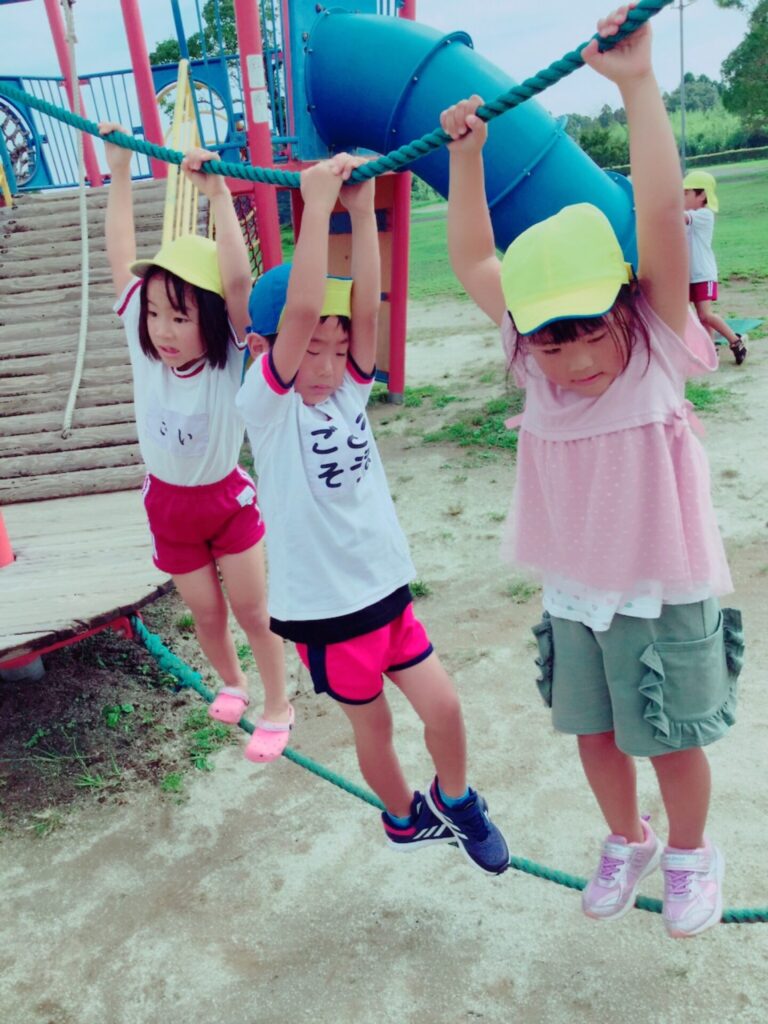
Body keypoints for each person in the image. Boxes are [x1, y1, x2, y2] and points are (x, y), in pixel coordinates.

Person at [439, 4, 743, 936]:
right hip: (575, 589)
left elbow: (658, 212)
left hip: (662, 584)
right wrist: (463, 159)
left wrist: (638, 85)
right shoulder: (532, 356)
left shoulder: (654, 341)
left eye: (587, 330)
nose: (572, 359)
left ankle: (690, 852)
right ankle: (627, 837)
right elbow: (473, 255)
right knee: (595, 732)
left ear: (625, 303)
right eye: (550, 338)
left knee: (672, 737)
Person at [235, 152, 509, 874]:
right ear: (264, 350)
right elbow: (303, 310)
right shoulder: (267, 408)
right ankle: (402, 818)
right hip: (327, 614)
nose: (328, 363)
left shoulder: (349, 389)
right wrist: (317, 207)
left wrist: (360, 211)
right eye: (311, 350)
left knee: (444, 708)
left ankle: (456, 799)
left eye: (336, 349)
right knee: (377, 725)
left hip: (385, 591)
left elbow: (365, 310)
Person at [99, 123, 292, 762]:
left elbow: (237, 286)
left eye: (180, 316)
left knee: (253, 611)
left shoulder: (228, 356)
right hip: (169, 505)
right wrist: (118, 171)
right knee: (207, 615)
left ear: (209, 319)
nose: (163, 329)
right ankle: (233, 683)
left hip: (225, 501)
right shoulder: (146, 350)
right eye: (156, 313)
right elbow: (119, 253)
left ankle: (278, 704)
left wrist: (218, 197)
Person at [683, 169, 747, 365]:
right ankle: (711, 351)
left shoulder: (704, 215)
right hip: (689, 275)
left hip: (703, 273)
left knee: (705, 314)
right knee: (699, 317)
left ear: (702, 195)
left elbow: (679, 217)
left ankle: (736, 342)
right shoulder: (690, 216)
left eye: (686, 193)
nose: (682, 197)